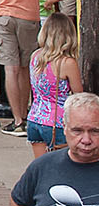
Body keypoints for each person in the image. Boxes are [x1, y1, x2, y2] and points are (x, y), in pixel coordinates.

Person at [0, 0, 65, 131]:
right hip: (29, 14)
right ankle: (28, 113)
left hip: (5, 13)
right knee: (27, 67)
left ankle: (17, 119)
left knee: (11, 68)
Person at [29, 12, 84, 156]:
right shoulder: (67, 63)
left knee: (42, 167)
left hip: (35, 118)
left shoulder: (35, 56)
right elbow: (79, 97)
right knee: (63, 169)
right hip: (57, 122)